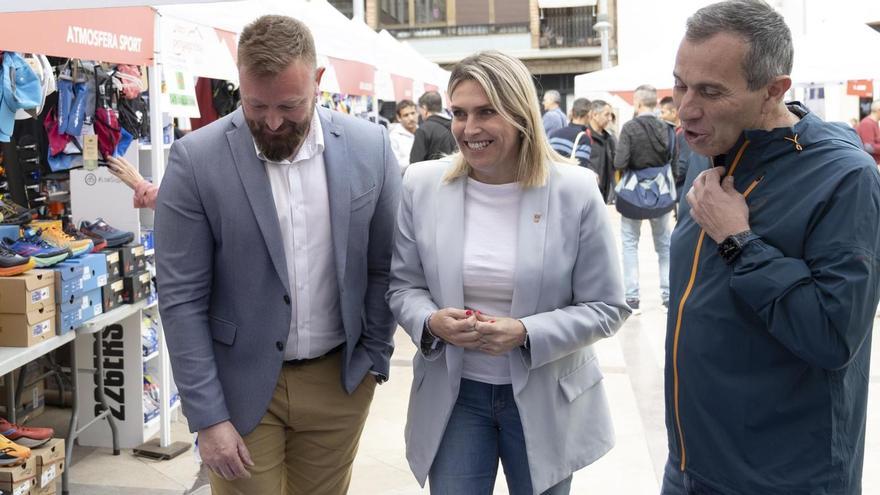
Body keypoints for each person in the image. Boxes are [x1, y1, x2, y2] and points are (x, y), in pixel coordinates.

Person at [154, 15, 400, 494]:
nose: (271, 121)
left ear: (319, 81)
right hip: (241, 390)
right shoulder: (195, 159)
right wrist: (207, 417)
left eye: (290, 105)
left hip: (340, 383)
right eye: (255, 105)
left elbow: (384, 263)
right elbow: (181, 299)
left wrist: (374, 357)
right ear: (238, 84)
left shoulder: (370, 147)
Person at [387, 50, 629, 495]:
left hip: (546, 397)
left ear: (521, 115)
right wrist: (429, 320)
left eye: (486, 112)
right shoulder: (422, 185)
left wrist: (525, 332)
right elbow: (404, 286)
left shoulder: (574, 190)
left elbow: (608, 307)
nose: (468, 128)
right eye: (458, 113)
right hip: (455, 396)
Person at [664, 1, 880, 494]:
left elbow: (832, 338)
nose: (686, 109)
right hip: (689, 466)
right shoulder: (709, 153)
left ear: (775, 89)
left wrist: (739, 241)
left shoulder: (845, 177)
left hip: (783, 477)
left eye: (711, 91)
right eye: (681, 84)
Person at [613, 84, 676, 313]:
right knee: (664, 246)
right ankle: (668, 297)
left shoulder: (629, 128)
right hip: (661, 194)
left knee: (630, 244)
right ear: (655, 103)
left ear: (637, 103)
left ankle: (632, 299)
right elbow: (674, 163)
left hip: (632, 197)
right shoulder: (667, 128)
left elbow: (619, 162)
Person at [410, 90, 457, 163]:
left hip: (431, 173)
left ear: (424, 108)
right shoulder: (455, 126)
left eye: (420, 109)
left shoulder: (423, 130)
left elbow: (415, 163)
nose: (419, 113)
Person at [586, 99, 617, 203]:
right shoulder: (584, 136)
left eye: (611, 115)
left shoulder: (610, 139)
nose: (609, 118)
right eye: (606, 115)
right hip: (588, 192)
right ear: (595, 115)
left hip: (604, 194)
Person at [548, 97, 591, 170]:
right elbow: (582, 170)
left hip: (552, 178)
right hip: (570, 180)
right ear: (588, 115)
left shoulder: (554, 134)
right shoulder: (583, 138)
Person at [389, 99, 418, 173]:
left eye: (413, 113)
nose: (411, 118)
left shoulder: (423, 131)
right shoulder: (393, 137)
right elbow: (395, 166)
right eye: (406, 115)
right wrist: (418, 157)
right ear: (399, 118)